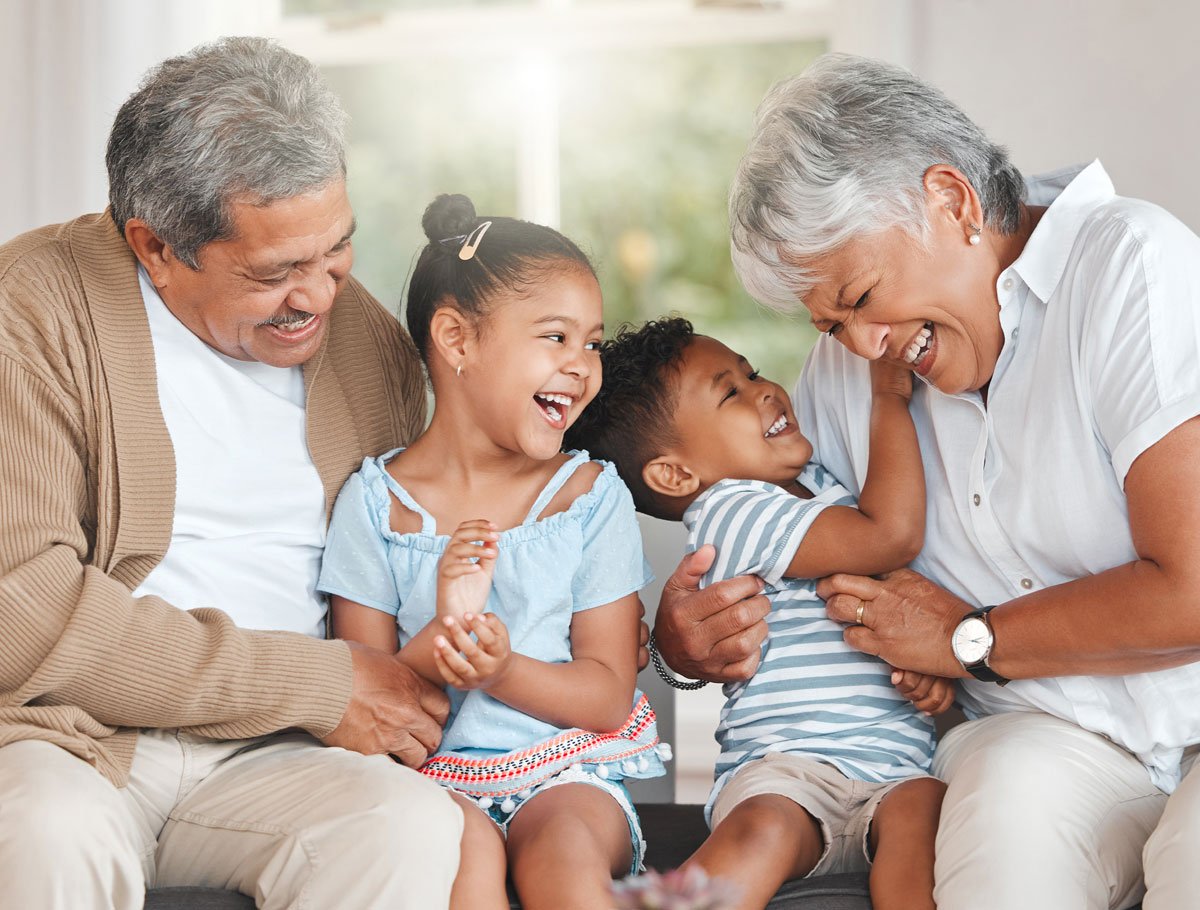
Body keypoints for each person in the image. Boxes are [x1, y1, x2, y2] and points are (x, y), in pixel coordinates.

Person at [655, 51, 1200, 910]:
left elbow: (1193, 591)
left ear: (951, 202)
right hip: (1033, 735)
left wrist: (969, 639)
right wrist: (686, 644)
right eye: (831, 322)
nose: (863, 343)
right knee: (999, 857)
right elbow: (795, 563)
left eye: (864, 296)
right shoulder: (847, 377)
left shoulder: (1129, 266)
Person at [0, 38, 467, 909]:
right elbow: (21, 609)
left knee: (403, 825)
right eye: (274, 272)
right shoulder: (29, 308)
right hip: (69, 740)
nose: (319, 294)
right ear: (156, 246)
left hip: (285, 755)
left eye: (336, 250)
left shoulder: (365, 344)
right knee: (42, 833)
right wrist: (315, 684)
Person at [317, 193, 667, 910]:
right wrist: (448, 636)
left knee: (563, 859)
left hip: (566, 774)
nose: (581, 367)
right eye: (555, 337)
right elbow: (367, 696)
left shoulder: (589, 496)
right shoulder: (375, 507)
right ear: (456, 339)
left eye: (592, 343)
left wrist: (499, 668)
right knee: (458, 859)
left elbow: (606, 696)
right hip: (426, 780)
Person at [567, 316, 948, 910]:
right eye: (731, 394)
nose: (764, 389)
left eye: (752, 372)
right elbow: (893, 535)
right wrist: (889, 397)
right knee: (763, 831)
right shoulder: (731, 510)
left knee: (926, 819)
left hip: (895, 767)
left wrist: (923, 673)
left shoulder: (821, 485)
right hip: (786, 767)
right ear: (676, 475)